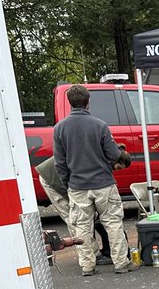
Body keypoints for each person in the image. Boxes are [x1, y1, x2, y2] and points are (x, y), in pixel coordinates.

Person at [52, 85, 132, 277]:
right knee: (113, 223)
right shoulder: (100, 125)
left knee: (82, 227)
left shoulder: (60, 128)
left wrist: (68, 183)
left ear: (70, 103)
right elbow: (114, 155)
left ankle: (87, 266)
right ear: (88, 102)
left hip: (77, 186)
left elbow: (59, 162)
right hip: (103, 183)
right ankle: (121, 263)